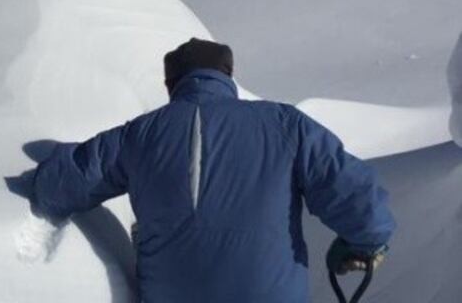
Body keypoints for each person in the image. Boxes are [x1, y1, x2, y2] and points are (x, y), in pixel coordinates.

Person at [29, 37, 395, 302]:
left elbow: (58, 188)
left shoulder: (139, 135)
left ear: (170, 84)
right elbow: (355, 195)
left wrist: (48, 151)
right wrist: (363, 243)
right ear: (228, 75)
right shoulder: (285, 125)